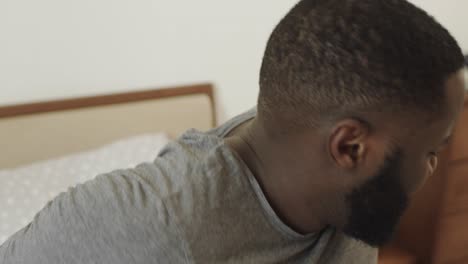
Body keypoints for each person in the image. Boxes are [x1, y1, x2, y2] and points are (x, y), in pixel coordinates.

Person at [1, 0, 466, 263]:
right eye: (429, 152)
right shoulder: (147, 224)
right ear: (348, 147)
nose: (430, 170)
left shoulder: (351, 195)